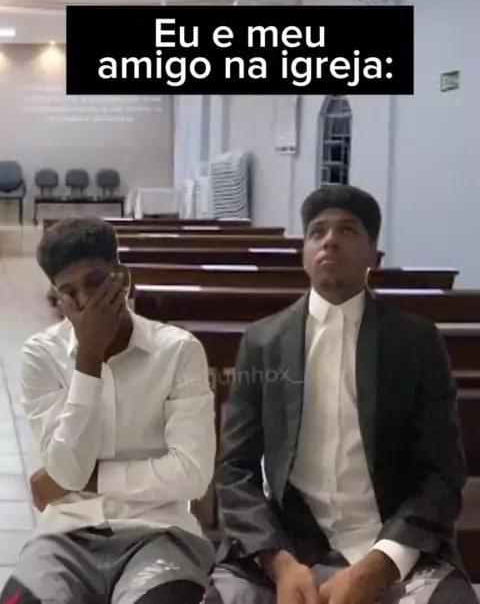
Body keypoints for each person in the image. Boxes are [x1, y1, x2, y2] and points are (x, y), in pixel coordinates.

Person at [208, 185, 476, 604]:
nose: (329, 240)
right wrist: (279, 562)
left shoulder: (414, 342)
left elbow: (442, 472)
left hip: (392, 541)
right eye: (317, 231)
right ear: (304, 253)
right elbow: (234, 469)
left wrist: (379, 565)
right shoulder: (264, 342)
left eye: (348, 230)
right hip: (290, 544)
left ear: (373, 252)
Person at [0, 217, 216, 604]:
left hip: (159, 532)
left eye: (96, 283)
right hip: (67, 535)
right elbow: (68, 472)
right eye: (70, 292)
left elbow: (192, 475)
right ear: (57, 298)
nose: (85, 301)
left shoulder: (178, 350)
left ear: (123, 278)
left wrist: (91, 478)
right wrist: (89, 358)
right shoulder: (41, 355)